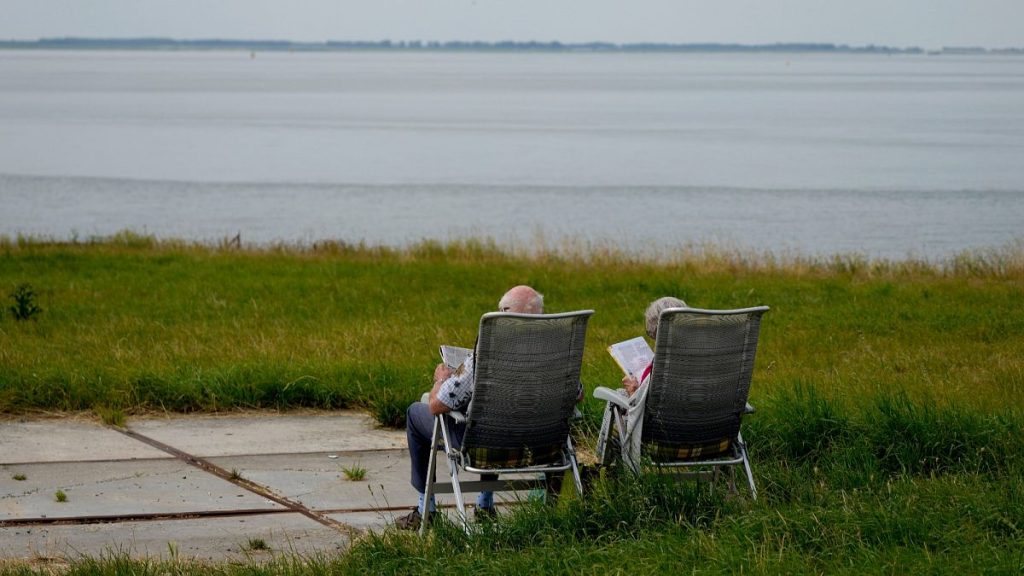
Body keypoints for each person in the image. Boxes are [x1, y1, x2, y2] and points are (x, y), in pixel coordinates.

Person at [396, 285, 545, 530]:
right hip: (539, 446)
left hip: (482, 446)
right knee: (501, 416)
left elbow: (437, 404)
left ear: (508, 314)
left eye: (502, 309)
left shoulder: (486, 354)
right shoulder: (555, 355)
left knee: (416, 412)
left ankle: (426, 510)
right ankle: (485, 503)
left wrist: (442, 379)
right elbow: (578, 394)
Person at [598, 296, 686, 470]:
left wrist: (633, 392)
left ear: (656, 331)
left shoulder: (659, 368)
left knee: (617, 407)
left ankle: (605, 466)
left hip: (662, 438)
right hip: (712, 435)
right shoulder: (710, 360)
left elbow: (643, 406)